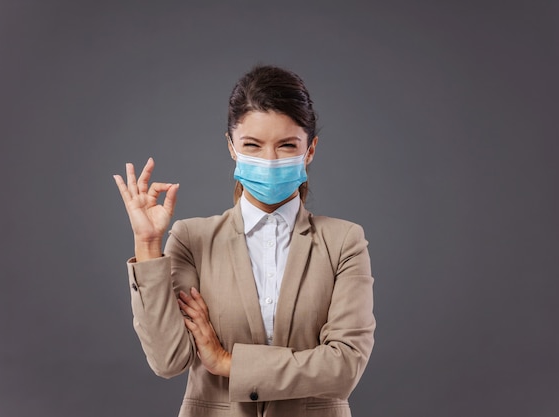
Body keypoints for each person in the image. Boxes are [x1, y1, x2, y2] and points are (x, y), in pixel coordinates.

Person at [113, 64, 375, 417]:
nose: (268, 160)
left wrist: (227, 362)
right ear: (231, 147)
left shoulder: (344, 241)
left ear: (309, 150)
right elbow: (168, 360)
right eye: (252, 144)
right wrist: (147, 244)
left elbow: (344, 367)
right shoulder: (192, 239)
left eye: (286, 145)